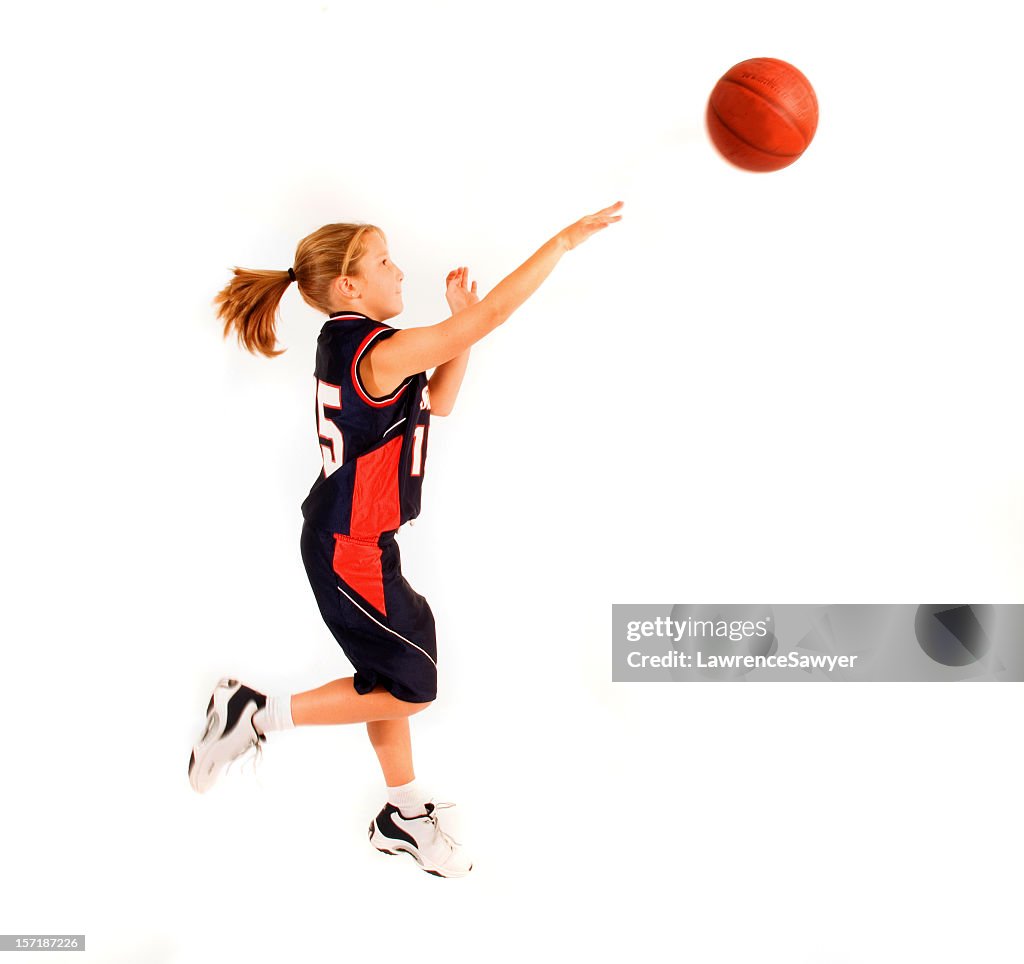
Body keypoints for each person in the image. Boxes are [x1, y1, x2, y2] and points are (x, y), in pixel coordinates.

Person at [190, 201, 624, 878]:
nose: (400, 271)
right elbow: (493, 315)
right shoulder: (379, 351)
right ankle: (255, 712)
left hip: (359, 541)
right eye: (383, 261)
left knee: (389, 678)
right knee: (414, 686)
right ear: (349, 287)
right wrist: (562, 242)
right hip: (347, 548)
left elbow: (440, 401)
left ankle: (401, 811)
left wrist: (460, 331)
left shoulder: (364, 345)